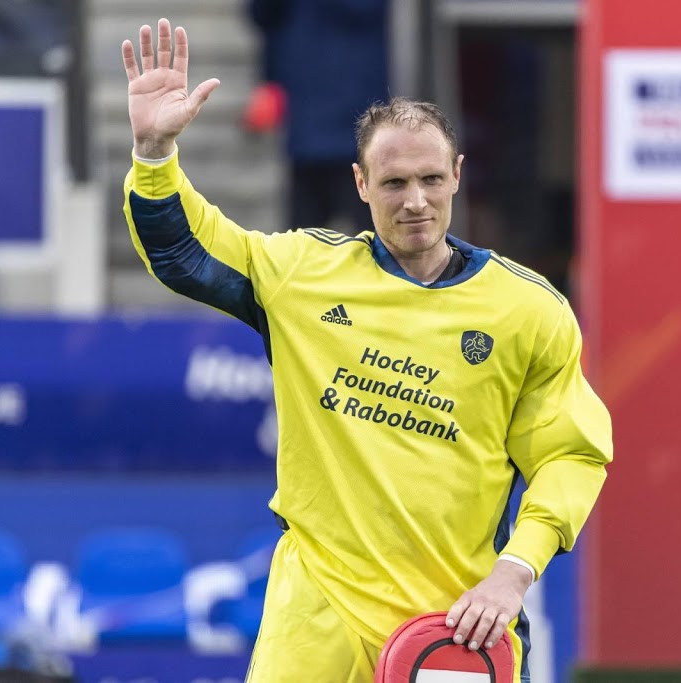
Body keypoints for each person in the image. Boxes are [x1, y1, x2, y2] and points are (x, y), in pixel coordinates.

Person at [120, 19, 612, 682]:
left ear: (459, 175)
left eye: (432, 179)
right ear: (359, 183)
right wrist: (154, 155)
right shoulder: (301, 274)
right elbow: (185, 252)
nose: (416, 201)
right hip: (317, 618)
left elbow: (570, 455)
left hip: (456, 623)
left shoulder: (528, 309)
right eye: (394, 183)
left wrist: (514, 572)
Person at [244, 0, 386, 235]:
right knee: (304, 242)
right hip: (307, 118)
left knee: (372, 236)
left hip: (358, 117)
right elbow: (262, 13)